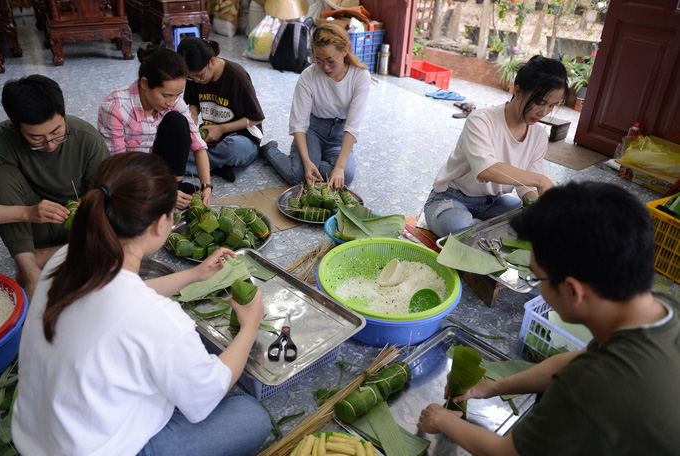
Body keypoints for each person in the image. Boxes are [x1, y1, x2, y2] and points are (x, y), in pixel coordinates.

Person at [11, 152, 270, 456]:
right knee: (251, 417)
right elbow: (207, 394)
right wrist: (250, 326)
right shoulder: (158, 319)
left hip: (34, 437)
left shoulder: (65, 257)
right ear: (161, 224)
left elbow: (123, 299)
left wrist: (194, 276)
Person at [417, 181, 680, 456]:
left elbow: (508, 453)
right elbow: (574, 362)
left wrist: (443, 421)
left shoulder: (591, 385)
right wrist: (491, 387)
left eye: (537, 277)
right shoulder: (660, 308)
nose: (538, 287)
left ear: (572, 290)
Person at [0, 75, 109, 299]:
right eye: (37, 139)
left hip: (79, 227)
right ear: (14, 124)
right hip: (32, 227)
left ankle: (49, 255)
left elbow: (108, 192)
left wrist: (89, 203)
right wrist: (27, 212)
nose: (51, 145)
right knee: (1, 176)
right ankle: (31, 272)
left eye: (56, 133)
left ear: (63, 110)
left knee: (123, 218)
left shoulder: (86, 137)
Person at [422, 55, 568, 237]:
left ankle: (482, 233)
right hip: (451, 198)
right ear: (518, 91)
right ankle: (480, 232)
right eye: (540, 102)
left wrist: (538, 209)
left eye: (552, 106)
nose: (544, 112)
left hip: (494, 203)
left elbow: (526, 187)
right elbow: (485, 169)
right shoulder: (481, 120)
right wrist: (542, 180)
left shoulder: (538, 135)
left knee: (531, 222)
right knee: (458, 228)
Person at [98, 46, 213, 208]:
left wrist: (206, 186)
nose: (171, 102)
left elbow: (198, 145)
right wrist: (159, 191)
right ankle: (168, 192)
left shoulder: (174, 102)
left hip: (158, 168)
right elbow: (118, 168)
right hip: (129, 175)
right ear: (145, 83)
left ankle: (175, 186)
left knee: (177, 121)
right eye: (165, 95)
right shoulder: (115, 109)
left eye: (177, 95)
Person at [262, 24, 371, 190]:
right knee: (299, 175)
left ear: (346, 50)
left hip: (340, 134)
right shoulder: (309, 75)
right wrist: (306, 162)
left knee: (346, 176)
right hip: (312, 130)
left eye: (330, 61)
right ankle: (270, 151)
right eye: (319, 61)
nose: (325, 67)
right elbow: (298, 123)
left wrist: (340, 168)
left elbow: (353, 127)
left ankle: (316, 161)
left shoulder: (360, 76)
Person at [177, 37, 277, 183]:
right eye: (190, 77)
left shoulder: (237, 75)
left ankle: (198, 163)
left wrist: (221, 129)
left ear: (212, 61)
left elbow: (256, 118)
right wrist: (193, 115)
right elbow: (193, 103)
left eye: (198, 75)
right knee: (175, 141)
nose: (195, 80)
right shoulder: (194, 76)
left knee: (233, 149)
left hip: (242, 138)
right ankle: (215, 165)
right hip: (210, 138)